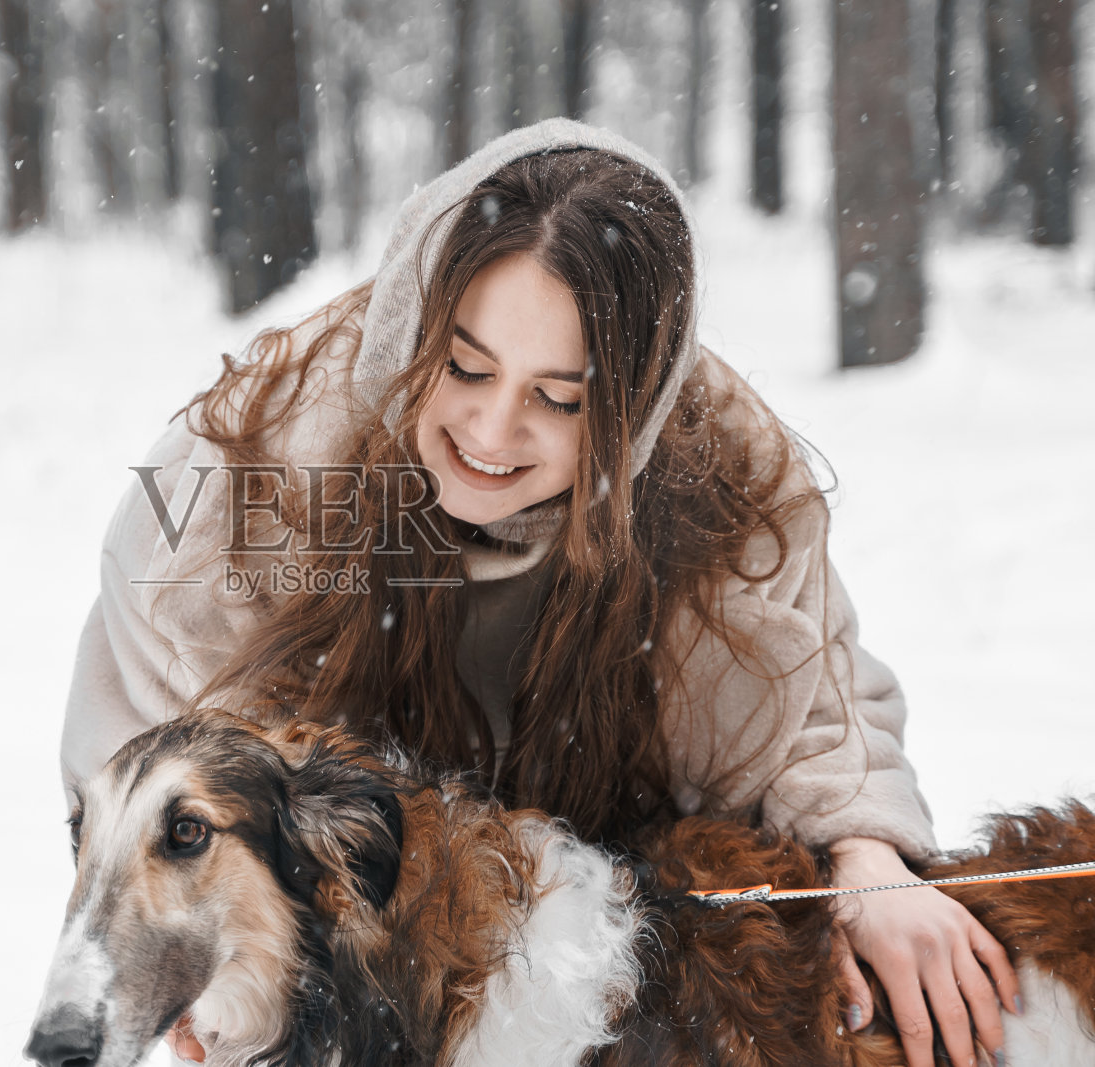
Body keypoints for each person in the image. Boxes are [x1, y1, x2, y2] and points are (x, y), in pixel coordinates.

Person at [59, 119, 1016, 1067]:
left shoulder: (722, 474)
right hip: (358, 954)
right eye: (465, 366)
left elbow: (811, 703)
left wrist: (864, 854)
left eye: (558, 398)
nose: (491, 429)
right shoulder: (253, 472)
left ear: (630, 411)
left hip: (608, 962)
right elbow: (144, 752)